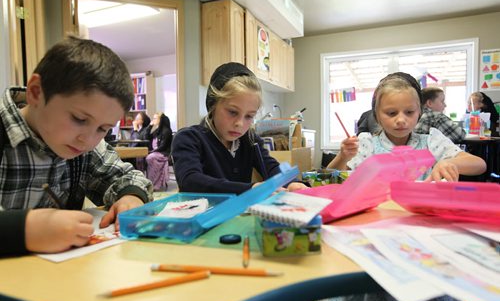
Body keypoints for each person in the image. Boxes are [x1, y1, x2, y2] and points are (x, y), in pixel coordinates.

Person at [325, 72, 485, 301]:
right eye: (391, 113)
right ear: (377, 114)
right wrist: (343, 157)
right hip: (375, 234)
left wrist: (449, 161)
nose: (401, 120)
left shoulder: (431, 139)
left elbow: (479, 164)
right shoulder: (366, 143)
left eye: (409, 112)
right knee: (374, 296)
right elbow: (329, 177)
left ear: (419, 112)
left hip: (422, 236)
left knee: (426, 300)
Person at [0, 36, 153, 257]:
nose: (89, 139)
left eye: (103, 128)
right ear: (35, 92)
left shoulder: (82, 147)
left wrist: (131, 197)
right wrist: (24, 230)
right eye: (79, 119)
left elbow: (128, 177)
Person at [171, 62, 308, 195]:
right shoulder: (188, 139)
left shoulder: (250, 140)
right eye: (232, 112)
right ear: (213, 105)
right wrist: (250, 189)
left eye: (249, 116)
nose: (240, 124)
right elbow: (190, 181)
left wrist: (291, 182)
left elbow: (271, 167)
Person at [145, 112, 172, 191]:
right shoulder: (157, 130)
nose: (153, 120)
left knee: (150, 157)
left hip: (163, 153)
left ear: (161, 120)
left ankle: (155, 184)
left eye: (155, 118)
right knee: (148, 157)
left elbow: (163, 146)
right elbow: (146, 137)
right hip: (155, 152)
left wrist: (152, 151)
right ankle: (150, 183)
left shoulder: (166, 131)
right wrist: (150, 126)